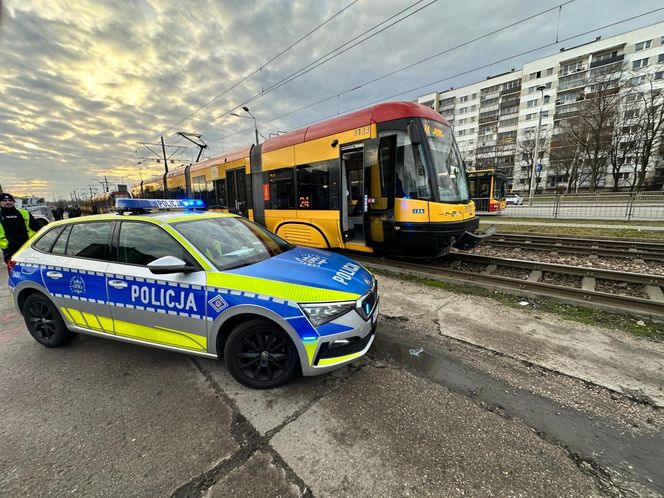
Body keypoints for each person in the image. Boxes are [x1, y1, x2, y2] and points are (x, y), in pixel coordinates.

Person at [0, 193, 40, 266]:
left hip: (27, 247)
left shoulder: (24, 213)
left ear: (14, 202)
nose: (8, 202)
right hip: (9, 250)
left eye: (10, 200)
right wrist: (6, 247)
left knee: (31, 269)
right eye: (4, 201)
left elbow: (37, 228)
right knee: (15, 272)